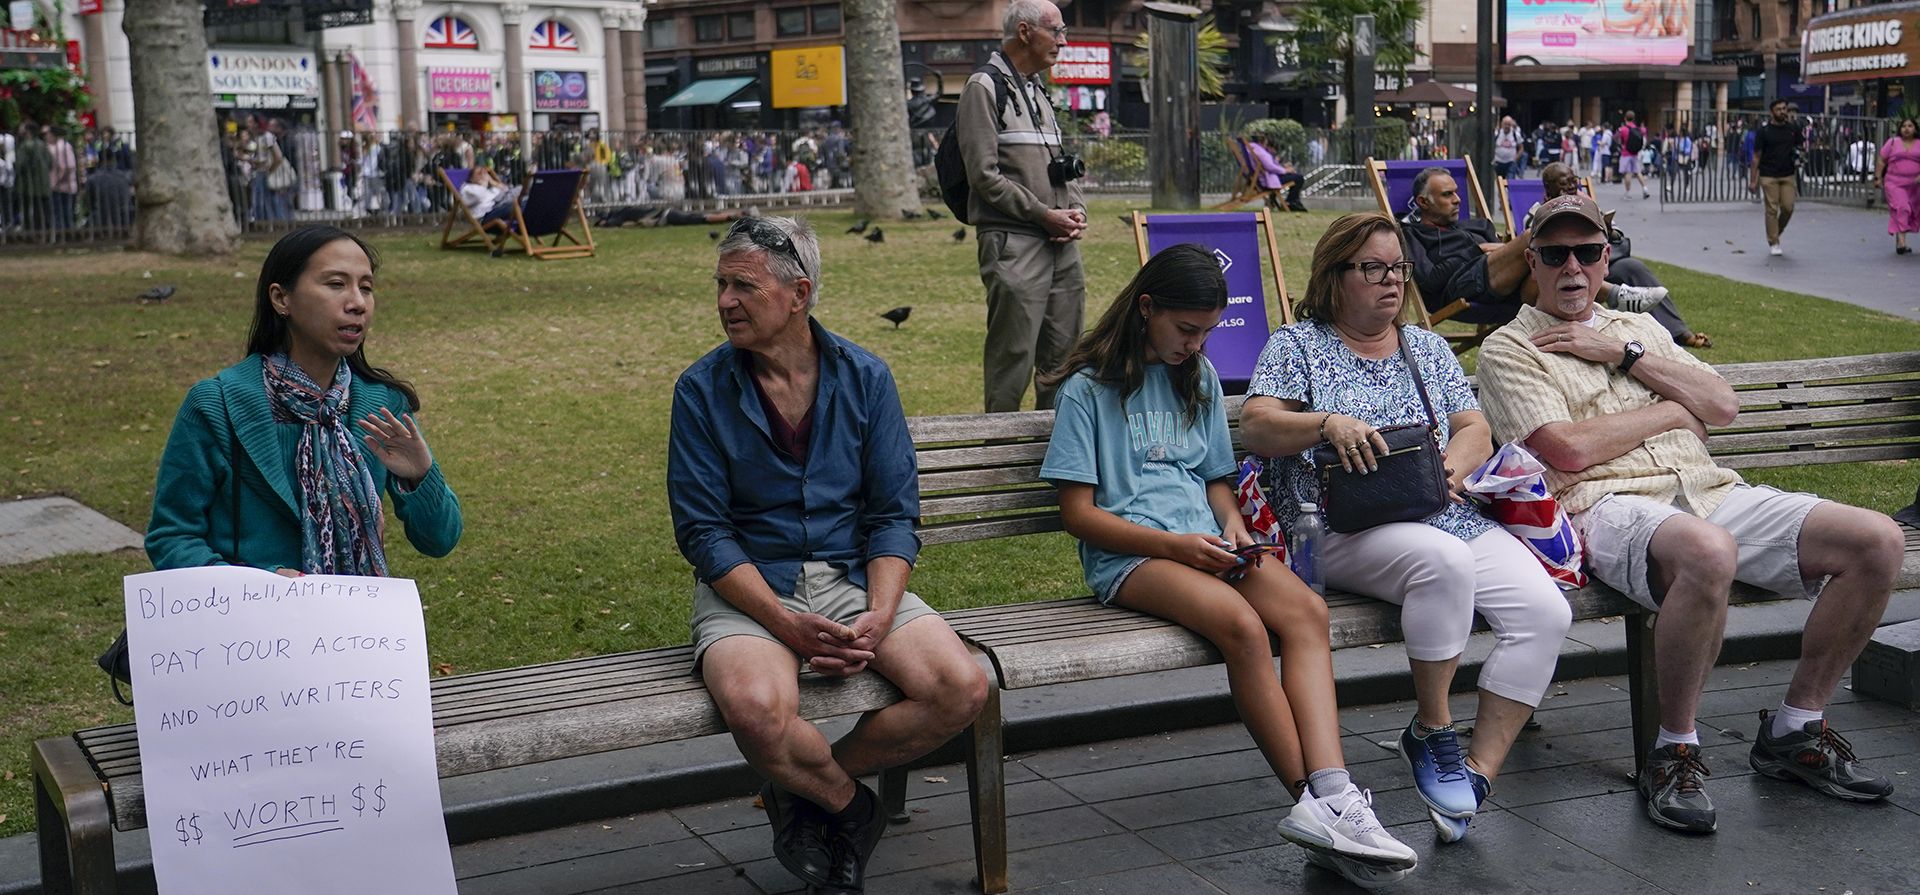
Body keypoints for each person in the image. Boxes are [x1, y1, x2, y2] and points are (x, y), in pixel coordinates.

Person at [1475, 193, 1902, 835]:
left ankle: (1796, 728)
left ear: (1605, 259)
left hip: (1708, 490)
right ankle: (1673, 750)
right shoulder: (1511, 349)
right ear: (1530, 261)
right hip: (1606, 505)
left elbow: (1722, 404)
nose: (1573, 267)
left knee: (1877, 539)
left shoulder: (1639, 331)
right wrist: (1674, 410)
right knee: (1707, 551)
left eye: (1588, 253)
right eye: (1556, 253)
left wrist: (1622, 358)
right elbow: (1566, 448)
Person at [1040, 244, 1419, 886]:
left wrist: (1232, 522)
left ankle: (1334, 794)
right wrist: (1175, 546)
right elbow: (1079, 515)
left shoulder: (1201, 378)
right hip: (1133, 555)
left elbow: (1217, 479)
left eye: (1208, 332)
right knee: (1242, 628)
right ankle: (1311, 802)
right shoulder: (1088, 390)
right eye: (1187, 330)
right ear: (1146, 308)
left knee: (1306, 612)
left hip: (1209, 543)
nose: (1197, 344)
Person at [667, 216, 989, 895]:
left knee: (962, 686)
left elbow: (893, 514)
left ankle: (803, 791)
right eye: (721, 284)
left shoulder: (866, 378)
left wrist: (880, 611)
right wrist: (786, 624)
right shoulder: (701, 391)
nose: (724, 301)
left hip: (852, 577)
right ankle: (850, 806)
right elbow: (703, 530)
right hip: (751, 586)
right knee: (756, 709)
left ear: (798, 293)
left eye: (743, 286)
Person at [1240, 213, 1573, 845]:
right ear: (1335, 275)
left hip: (1438, 511)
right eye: (1372, 268)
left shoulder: (1426, 347)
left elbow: (1473, 425)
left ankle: (1472, 776)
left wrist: (1453, 466)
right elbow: (1255, 427)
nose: (1390, 282)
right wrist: (1323, 424)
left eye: (1398, 268)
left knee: (1546, 614)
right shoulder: (1296, 345)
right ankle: (1432, 729)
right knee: (1441, 560)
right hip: (1337, 526)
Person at [146, 225, 462, 576]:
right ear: (282, 299)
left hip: (351, 625)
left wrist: (421, 475)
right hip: (245, 625)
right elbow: (171, 537)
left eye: (366, 287)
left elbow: (440, 540)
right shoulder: (217, 404)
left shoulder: (381, 404)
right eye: (336, 284)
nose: (357, 303)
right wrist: (257, 584)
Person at [958, 0, 1089, 412]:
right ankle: (999, 453)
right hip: (1014, 242)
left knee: (1065, 357)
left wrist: (1076, 209)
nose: (1064, 42)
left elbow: (1060, 167)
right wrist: (1043, 214)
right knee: (1012, 356)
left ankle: (1054, 452)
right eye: (1057, 31)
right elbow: (984, 176)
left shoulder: (1036, 89)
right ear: (1026, 32)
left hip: (1060, 244)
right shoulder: (983, 86)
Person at [1401, 167, 1664, 325]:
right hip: (1459, 288)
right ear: (1423, 202)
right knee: (1536, 236)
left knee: (1550, 263)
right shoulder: (1412, 234)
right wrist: (1479, 251)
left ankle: (1588, 330)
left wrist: (1493, 250)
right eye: (1447, 195)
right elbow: (1430, 280)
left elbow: (1501, 255)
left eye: (1457, 192)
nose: (1458, 200)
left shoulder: (1476, 226)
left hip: (1502, 286)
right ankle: (1617, 295)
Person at [1523, 162, 1711, 348]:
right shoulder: (1536, 214)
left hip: (1596, 264)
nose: (1572, 186)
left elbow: (1619, 237)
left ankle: (1677, 332)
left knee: (1632, 267)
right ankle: (1616, 294)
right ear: (1548, 187)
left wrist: (1607, 230)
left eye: (1574, 180)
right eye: (1565, 183)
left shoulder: (1588, 206)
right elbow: (1530, 241)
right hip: (1556, 271)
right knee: (1567, 264)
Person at [1751, 98, 1802, 256]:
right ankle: (1774, 241)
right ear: (1772, 112)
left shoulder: (1792, 129)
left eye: (1784, 108)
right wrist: (1753, 180)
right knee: (1772, 209)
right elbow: (1756, 156)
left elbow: (1800, 146)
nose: (1783, 112)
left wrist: (1799, 156)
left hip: (1787, 174)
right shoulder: (1764, 132)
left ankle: (1775, 232)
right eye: (1779, 109)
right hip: (1769, 175)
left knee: (1788, 207)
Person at [1874, 117, 1920, 256]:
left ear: (1915, 129)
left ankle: (1901, 238)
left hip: (1914, 185)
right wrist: (1878, 178)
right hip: (1894, 182)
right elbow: (1882, 160)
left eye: (1910, 126)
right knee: (1902, 207)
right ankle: (1901, 242)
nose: (1906, 129)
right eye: (1904, 126)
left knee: (1911, 210)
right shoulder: (1893, 142)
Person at [457, 165, 521, 256]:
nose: (483, 175)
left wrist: (492, 184)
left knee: (520, 191)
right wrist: (490, 182)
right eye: (479, 173)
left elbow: (506, 190)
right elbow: (480, 196)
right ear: (471, 179)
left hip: (499, 208)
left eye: (485, 173)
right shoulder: (467, 188)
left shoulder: (490, 190)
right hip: (488, 216)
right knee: (519, 202)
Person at [1246, 132, 1306, 211]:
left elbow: (1269, 165)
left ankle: (1290, 201)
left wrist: (1282, 167)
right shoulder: (1260, 152)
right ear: (1262, 141)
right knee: (1299, 178)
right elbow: (1270, 167)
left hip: (1265, 178)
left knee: (1295, 176)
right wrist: (1285, 170)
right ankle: (1291, 201)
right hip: (1269, 180)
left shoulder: (1253, 149)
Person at [1616, 112, 1650, 199]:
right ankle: (1645, 188)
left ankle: (1627, 193)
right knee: (1638, 172)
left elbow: (1619, 140)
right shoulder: (1637, 129)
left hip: (1626, 153)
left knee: (1627, 173)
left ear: (1625, 118)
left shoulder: (1623, 129)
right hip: (1635, 153)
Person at [1492, 116, 1524, 181]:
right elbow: (1491, 146)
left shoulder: (1516, 135)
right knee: (1500, 182)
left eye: (1508, 124)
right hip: (1498, 162)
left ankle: (1509, 191)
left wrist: (1516, 158)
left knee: (1510, 181)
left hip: (1510, 162)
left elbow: (1521, 148)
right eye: (1505, 124)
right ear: (1502, 124)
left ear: (1511, 125)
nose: (1507, 126)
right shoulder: (1497, 133)